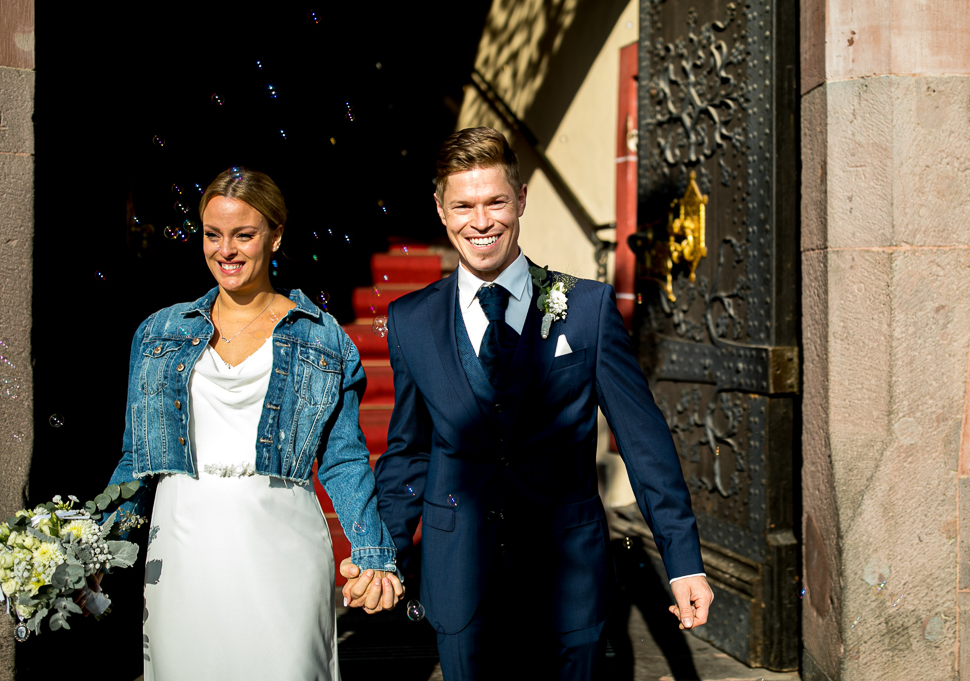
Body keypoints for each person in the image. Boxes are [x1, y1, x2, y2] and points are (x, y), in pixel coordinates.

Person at [345, 127, 713, 680]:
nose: (482, 220)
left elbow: (643, 439)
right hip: (458, 582)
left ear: (520, 200)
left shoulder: (586, 308)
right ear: (442, 211)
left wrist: (682, 561)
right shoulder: (411, 321)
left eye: (495, 201)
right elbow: (409, 453)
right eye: (464, 205)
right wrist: (387, 556)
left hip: (567, 582)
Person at [105, 167, 403, 680]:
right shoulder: (158, 332)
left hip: (281, 546)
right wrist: (96, 545)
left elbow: (343, 458)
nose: (227, 250)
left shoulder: (321, 338)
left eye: (244, 234)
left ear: (276, 235)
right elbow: (137, 458)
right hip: (182, 548)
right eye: (213, 235)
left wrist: (373, 553)